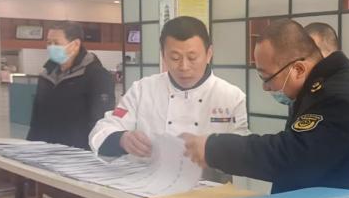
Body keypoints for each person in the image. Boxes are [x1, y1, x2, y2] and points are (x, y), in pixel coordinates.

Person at [182, 19, 349, 193]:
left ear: (299, 69)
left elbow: (289, 157)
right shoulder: (319, 90)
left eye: (267, 77)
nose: (265, 87)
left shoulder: (338, 100)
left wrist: (213, 148)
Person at [90, 16, 248, 157]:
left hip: (209, 180)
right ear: (163, 55)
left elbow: (242, 149)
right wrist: (122, 139)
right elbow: (102, 130)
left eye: (192, 58)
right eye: (175, 57)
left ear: (209, 54)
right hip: (147, 177)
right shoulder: (142, 90)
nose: (184, 66)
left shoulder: (231, 96)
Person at [27, 23, 115, 150]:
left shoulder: (96, 76)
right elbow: (36, 119)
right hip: (45, 150)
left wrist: (92, 150)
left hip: (78, 151)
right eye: (49, 43)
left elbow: (100, 120)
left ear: (75, 44)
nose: (51, 47)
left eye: (56, 43)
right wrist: (30, 146)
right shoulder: (46, 75)